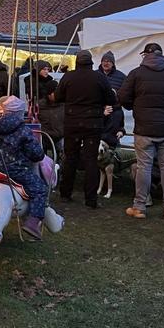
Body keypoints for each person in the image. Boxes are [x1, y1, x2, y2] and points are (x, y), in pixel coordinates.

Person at [118, 42, 164, 220]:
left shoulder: (136, 74)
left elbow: (123, 97)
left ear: (145, 55)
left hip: (144, 128)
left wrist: (135, 108)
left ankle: (139, 207)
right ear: (161, 55)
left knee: (144, 167)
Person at [54, 49, 116, 208]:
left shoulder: (68, 77)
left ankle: (65, 193)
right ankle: (91, 199)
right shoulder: (99, 77)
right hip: (93, 123)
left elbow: (58, 97)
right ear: (91, 62)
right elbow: (111, 99)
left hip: (72, 122)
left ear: (77, 61)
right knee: (91, 160)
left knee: (70, 158)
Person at [0, 95, 48, 239]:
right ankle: (33, 222)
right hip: (15, 170)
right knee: (39, 188)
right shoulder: (23, 130)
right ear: (20, 113)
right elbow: (36, 154)